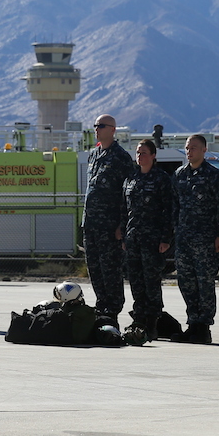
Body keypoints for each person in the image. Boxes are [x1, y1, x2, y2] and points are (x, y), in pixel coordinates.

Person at [173, 134, 219, 344]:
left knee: (205, 283)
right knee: (186, 282)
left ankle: (204, 326)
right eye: (188, 148)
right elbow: (175, 206)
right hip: (184, 239)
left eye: (194, 148)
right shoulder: (179, 175)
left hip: (206, 240)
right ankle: (193, 323)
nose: (190, 151)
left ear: (205, 150)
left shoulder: (214, 176)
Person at [121, 138, 176, 344]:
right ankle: (140, 320)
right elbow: (124, 209)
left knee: (151, 282)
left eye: (144, 152)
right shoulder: (130, 179)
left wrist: (165, 238)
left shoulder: (161, 179)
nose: (140, 156)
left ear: (154, 156)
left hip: (153, 240)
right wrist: (124, 234)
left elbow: (168, 211)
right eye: (138, 152)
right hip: (133, 238)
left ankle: (153, 324)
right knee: (136, 281)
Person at [83, 113, 135, 323]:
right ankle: (100, 307)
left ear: (113, 130)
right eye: (95, 125)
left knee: (110, 270)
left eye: (101, 125)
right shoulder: (93, 155)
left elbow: (127, 193)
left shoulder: (121, 157)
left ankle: (111, 312)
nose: (97, 128)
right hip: (91, 224)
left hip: (109, 226)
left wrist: (121, 225)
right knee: (94, 269)